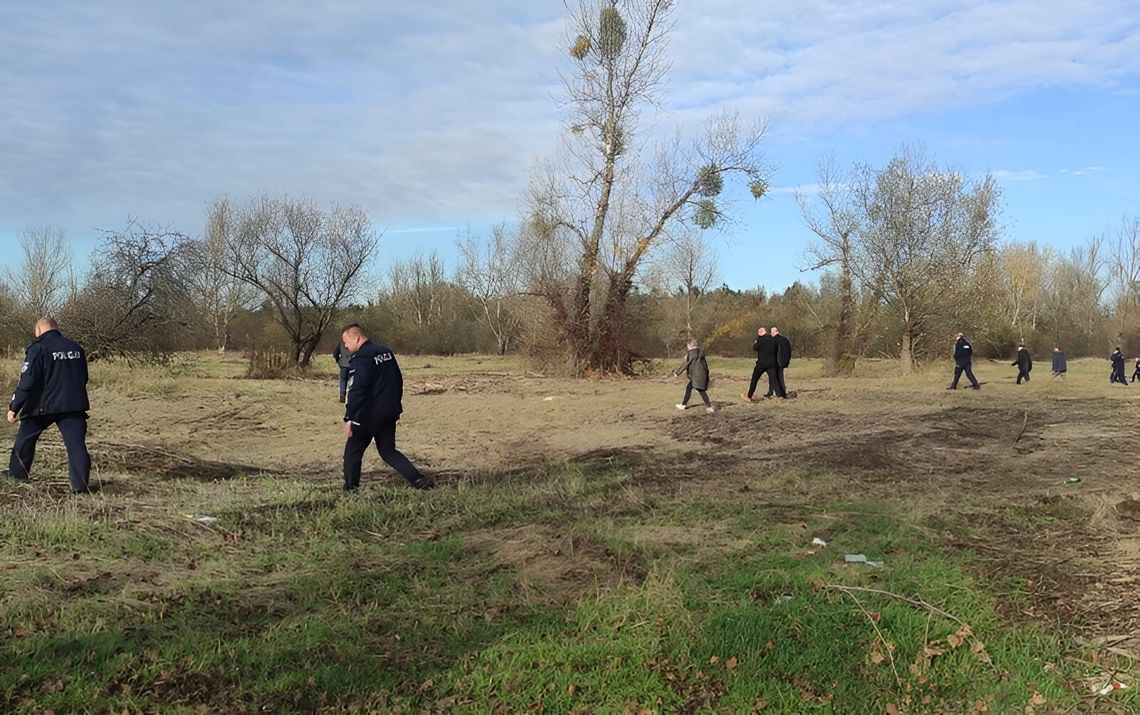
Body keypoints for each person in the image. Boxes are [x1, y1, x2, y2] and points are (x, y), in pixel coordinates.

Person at [339, 324, 434, 491]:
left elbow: (357, 389)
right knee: (388, 451)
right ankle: (419, 480)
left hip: (367, 416)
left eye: (346, 342)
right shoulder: (386, 353)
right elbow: (398, 380)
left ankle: (350, 490)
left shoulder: (361, 358)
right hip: (389, 412)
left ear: (356, 338)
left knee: (352, 452)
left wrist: (350, 417)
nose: (345, 346)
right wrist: (394, 406)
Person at [3, 317, 92, 493]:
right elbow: (84, 377)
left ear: (38, 329)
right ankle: (80, 486)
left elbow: (27, 382)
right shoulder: (76, 347)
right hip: (73, 405)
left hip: (42, 406)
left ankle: (17, 475)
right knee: (76, 446)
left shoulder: (38, 348)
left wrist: (14, 407)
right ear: (56, 328)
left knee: (25, 439)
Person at [672, 339, 713, 413]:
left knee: (696, 390)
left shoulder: (691, 353)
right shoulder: (701, 353)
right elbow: (705, 365)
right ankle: (709, 407)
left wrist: (677, 373)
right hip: (702, 375)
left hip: (696, 376)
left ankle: (684, 405)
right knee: (696, 389)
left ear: (690, 345)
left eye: (688, 346)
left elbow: (685, 364)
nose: (687, 348)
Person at [742, 327, 777, 402]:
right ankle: (777, 394)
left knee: (754, 379)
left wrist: (757, 341)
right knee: (773, 379)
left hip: (761, 364)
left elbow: (754, 348)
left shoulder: (759, 340)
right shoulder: (772, 338)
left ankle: (749, 396)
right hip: (772, 363)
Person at [767, 326, 792, 398]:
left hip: (777, 361)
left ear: (773, 332)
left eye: (771, 332)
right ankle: (773, 391)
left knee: (776, 377)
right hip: (783, 361)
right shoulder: (785, 340)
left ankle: (777, 392)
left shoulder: (774, 340)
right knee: (779, 376)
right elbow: (789, 350)